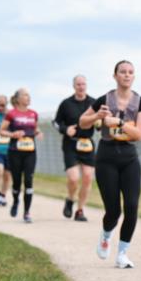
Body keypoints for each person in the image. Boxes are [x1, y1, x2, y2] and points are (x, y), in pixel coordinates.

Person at [78, 61, 141, 269]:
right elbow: (82, 122)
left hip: (129, 157)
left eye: (130, 72)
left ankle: (122, 254)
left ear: (134, 77)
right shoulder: (104, 100)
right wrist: (97, 116)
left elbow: (138, 135)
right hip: (106, 156)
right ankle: (106, 235)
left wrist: (118, 123)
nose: (127, 75)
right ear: (115, 76)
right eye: (123, 72)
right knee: (113, 210)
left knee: (132, 207)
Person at [53, 74, 96, 222]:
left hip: (87, 143)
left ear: (86, 85)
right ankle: (70, 199)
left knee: (88, 177)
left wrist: (98, 123)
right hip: (70, 143)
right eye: (78, 84)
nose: (81, 87)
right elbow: (56, 123)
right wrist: (65, 130)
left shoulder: (93, 103)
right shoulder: (66, 103)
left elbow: (100, 121)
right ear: (74, 86)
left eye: (83, 84)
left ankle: (80, 210)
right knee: (73, 178)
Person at [0, 88, 43, 223]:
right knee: (16, 182)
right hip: (15, 152)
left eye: (29, 95)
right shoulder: (11, 114)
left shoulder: (33, 114)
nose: (28, 97)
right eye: (25, 95)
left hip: (30, 152)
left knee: (28, 181)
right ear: (18, 99)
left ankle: (27, 212)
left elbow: (35, 128)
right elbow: (1, 131)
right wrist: (13, 134)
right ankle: (16, 201)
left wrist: (38, 133)